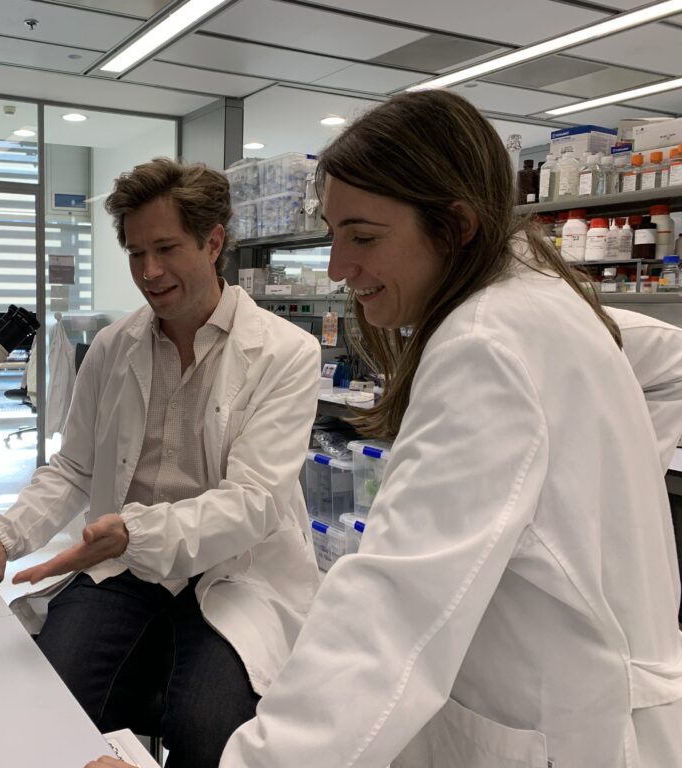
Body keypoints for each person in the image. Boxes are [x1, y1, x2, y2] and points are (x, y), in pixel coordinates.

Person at [88, 92, 682, 768]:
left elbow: (391, 617)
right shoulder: (536, 298)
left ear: (453, 226)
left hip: (556, 727)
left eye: (364, 237)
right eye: (334, 233)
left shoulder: (486, 343)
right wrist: (596, 492)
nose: (339, 267)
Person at [0, 158, 322, 768]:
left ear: (213, 242)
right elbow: (74, 467)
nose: (149, 272)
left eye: (165, 248)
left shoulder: (285, 353)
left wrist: (134, 529)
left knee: (210, 727)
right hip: (125, 568)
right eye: (134, 253)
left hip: (234, 569)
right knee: (50, 693)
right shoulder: (112, 346)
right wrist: (1, 538)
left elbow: (254, 500)